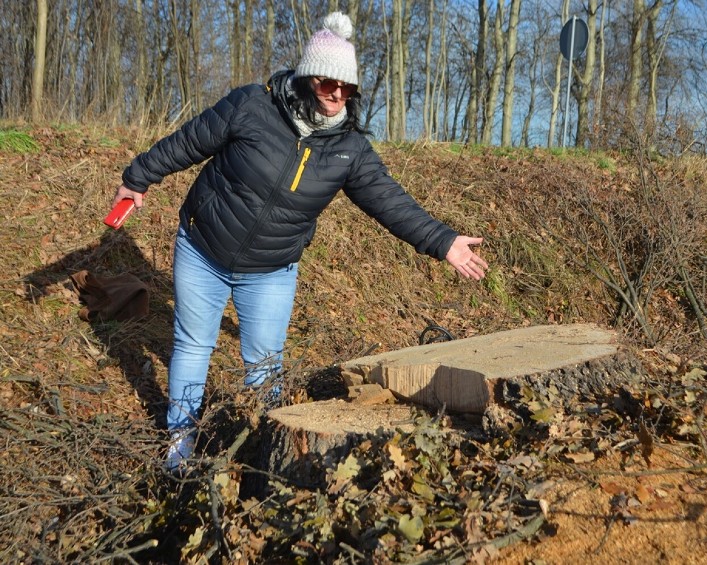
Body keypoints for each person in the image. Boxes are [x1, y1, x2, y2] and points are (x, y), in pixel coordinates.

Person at [111, 12, 488, 473]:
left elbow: (391, 202)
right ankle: (180, 443)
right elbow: (188, 142)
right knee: (193, 345)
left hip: (271, 268)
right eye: (329, 82)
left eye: (347, 87)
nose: (337, 95)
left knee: (266, 365)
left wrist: (443, 241)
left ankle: (266, 451)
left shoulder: (350, 149)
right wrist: (138, 177)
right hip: (203, 247)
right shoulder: (253, 105)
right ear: (309, 76)